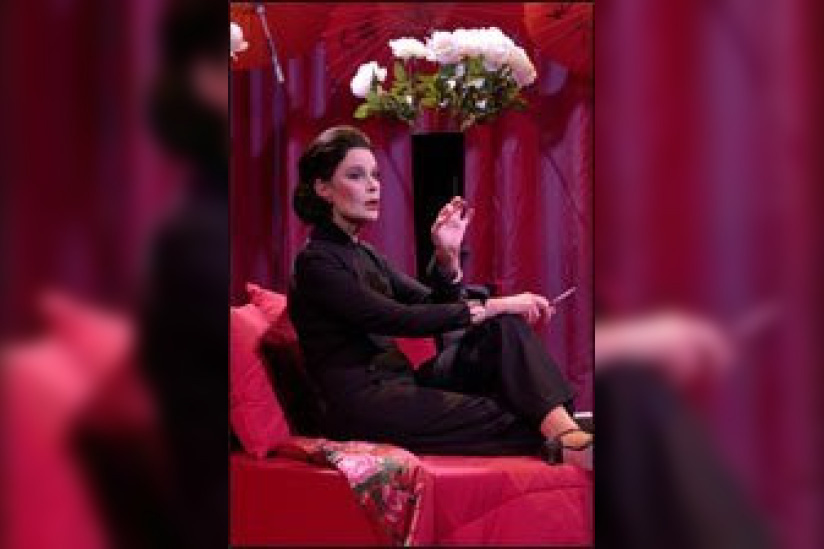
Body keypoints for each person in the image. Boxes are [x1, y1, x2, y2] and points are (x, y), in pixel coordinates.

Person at [288, 125, 592, 466]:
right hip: (363, 406)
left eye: (375, 175)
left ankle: (568, 435)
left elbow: (430, 305)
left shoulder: (366, 253)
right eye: (356, 176)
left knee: (502, 327)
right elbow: (395, 318)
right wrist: (495, 304)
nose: (373, 185)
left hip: (403, 386)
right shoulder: (315, 263)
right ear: (323, 188)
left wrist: (448, 258)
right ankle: (572, 441)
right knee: (516, 412)